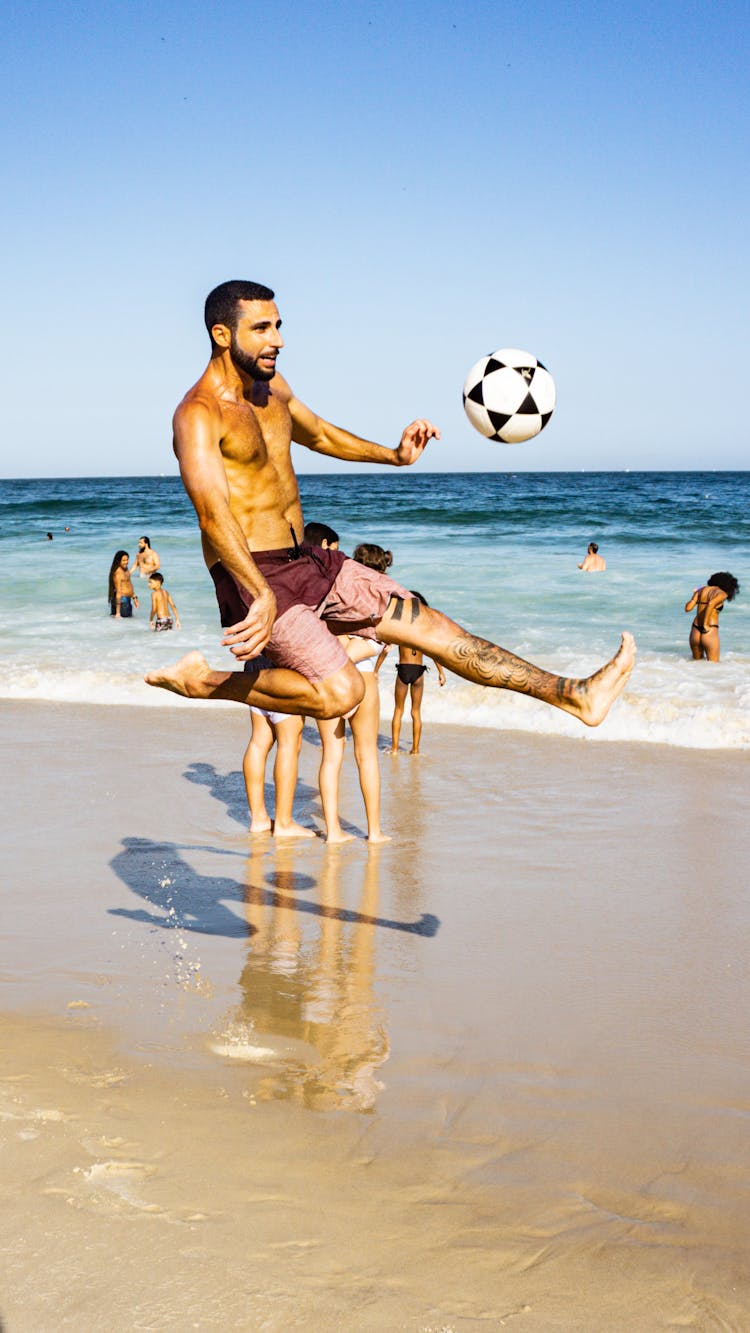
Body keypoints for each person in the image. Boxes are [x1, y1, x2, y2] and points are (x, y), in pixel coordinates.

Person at [145, 279, 635, 730]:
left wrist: (395, 457)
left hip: (311, 561)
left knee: (433, 626)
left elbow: (318, 434)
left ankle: (575, 695)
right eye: (262, 328)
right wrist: (261, 593)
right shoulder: (198, 414)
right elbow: (212, 515)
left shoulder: (273, 389)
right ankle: (201, 682)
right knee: (341, 693)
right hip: (254, 576)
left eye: (279, 326)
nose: (278, 339)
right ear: (222, 334)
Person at [316, 543, 392, 844]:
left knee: (331, 757)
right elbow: (381, 649)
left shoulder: (333, 601)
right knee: (367, 757)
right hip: (364, 683)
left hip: (330, 680)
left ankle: (333, 831)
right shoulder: (383, 610)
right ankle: (374, 832)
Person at [242, 698, 314, 838]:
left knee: (258, 742)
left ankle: (259, 819)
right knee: (289, 744)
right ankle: (284, 823)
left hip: (256, 679)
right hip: (284, 683)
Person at [389, 592, 446, 755]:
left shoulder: (401, 626)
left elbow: (386, 647)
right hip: (418, 671)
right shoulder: (424, 629)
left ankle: (394, 749)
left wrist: (376, 670)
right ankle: (415, 749)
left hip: (403, 669)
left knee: (398, 710)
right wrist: (441, 672)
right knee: (416, 712)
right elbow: (433, 652)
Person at [684, 572, 740, 662]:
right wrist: (706, 624)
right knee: (714, 667)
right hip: (709, 630)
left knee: (695, 664)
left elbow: (688, 608)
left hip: (695, 630)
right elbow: (711, 603)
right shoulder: (722, 594)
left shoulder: (701, 591)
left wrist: (695, 597)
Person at [108, 550, 139, 618]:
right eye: (123, 560)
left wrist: (134, 597)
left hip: (125, 600)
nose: (126, 562)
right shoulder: (118, 573)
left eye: (127, 560)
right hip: (122, 601)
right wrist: (118, 613)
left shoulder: (125, 569)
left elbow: (128, 584)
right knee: (127, 623)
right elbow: (118, 592)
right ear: (118, 561)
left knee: (124, 624)